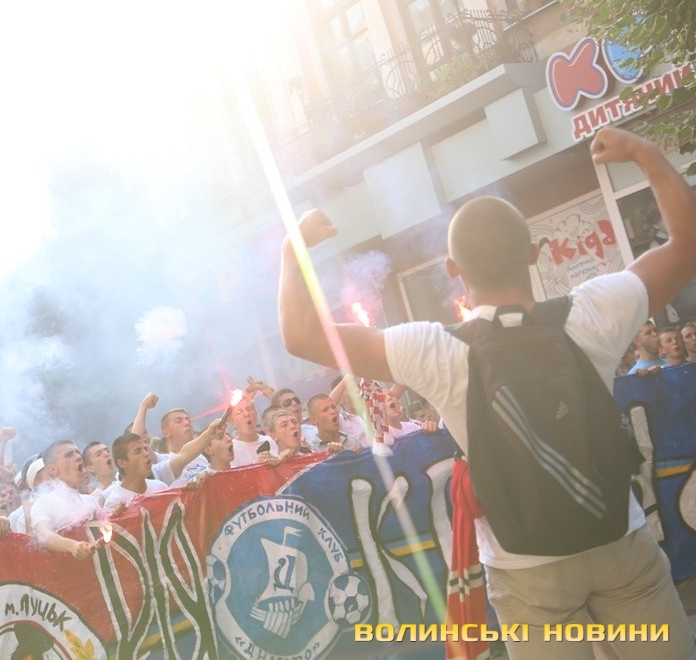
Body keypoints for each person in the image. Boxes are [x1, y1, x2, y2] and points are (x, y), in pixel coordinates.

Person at [278, 126, 696, 659]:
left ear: (453, 271)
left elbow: (301, 335)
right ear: (534, 254)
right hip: (620, 540)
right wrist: (644, 152)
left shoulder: (434, 349)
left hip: (525, 570)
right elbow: (686, 245)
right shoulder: (593, 311)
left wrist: (292, 252)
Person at [103, 433, 168, 508]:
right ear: (122, 463)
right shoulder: (114, 502)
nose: (146, 454)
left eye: (145, 449)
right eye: (138, 451)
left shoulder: (160, 488)